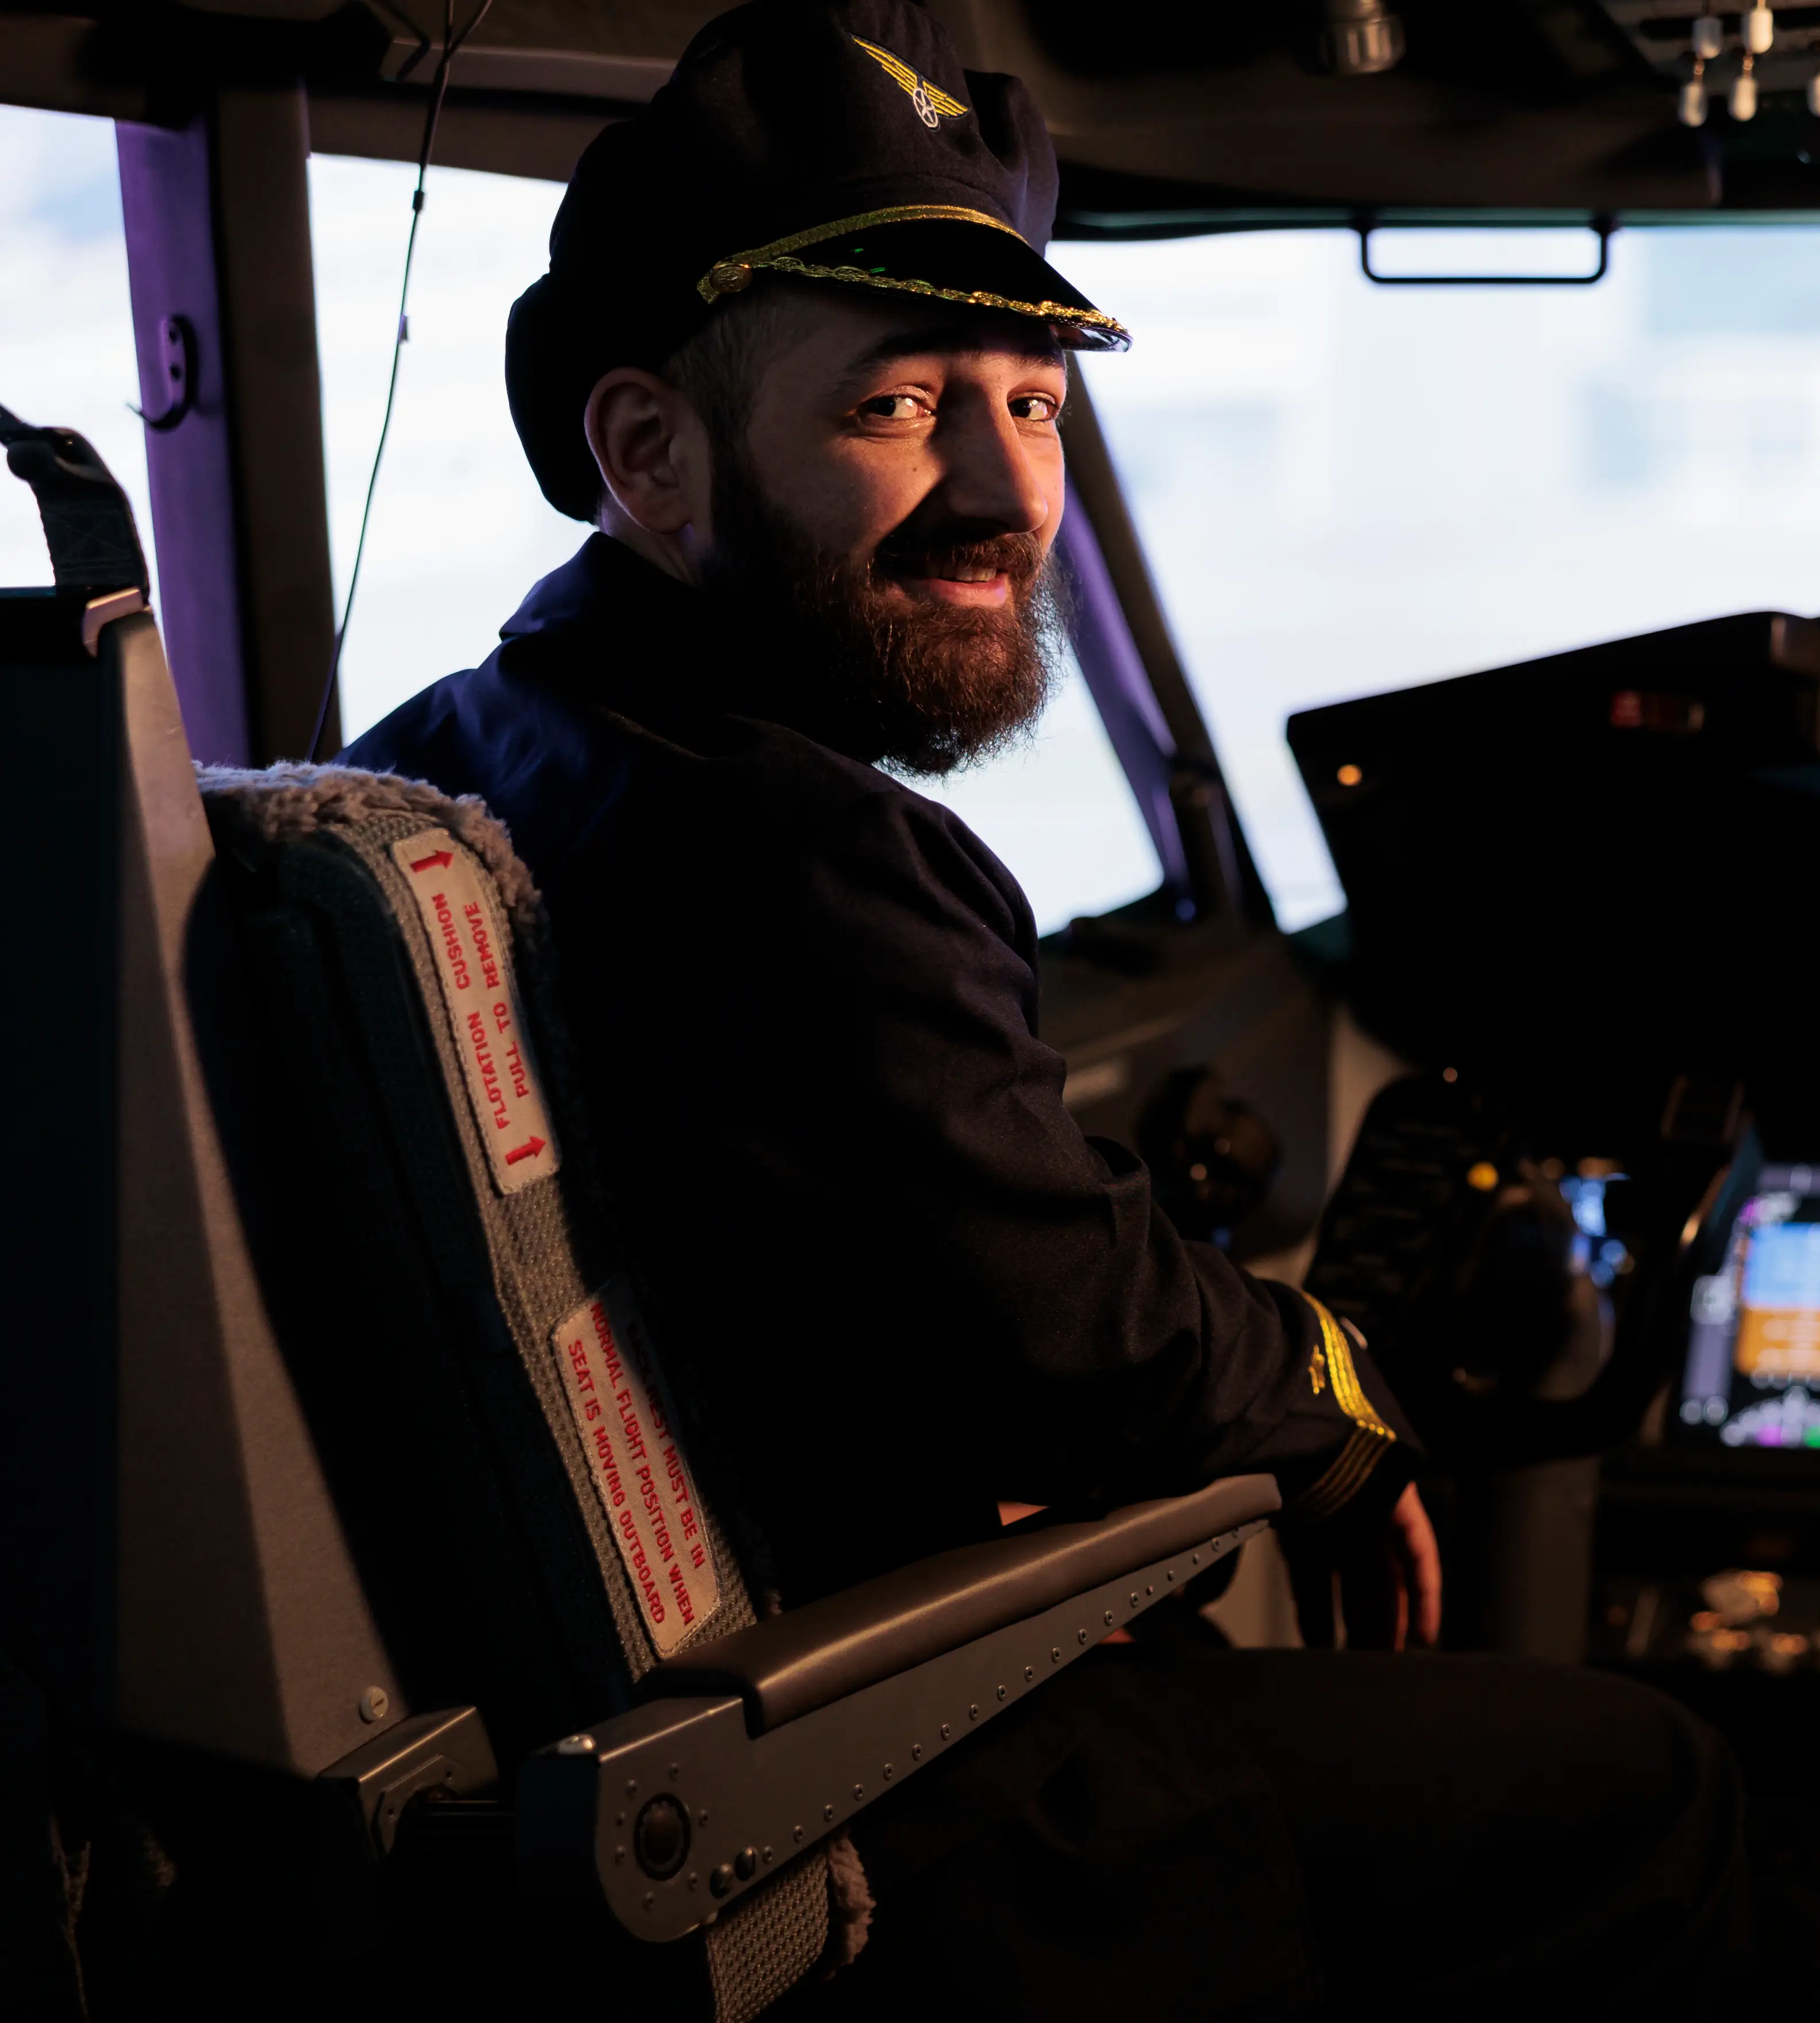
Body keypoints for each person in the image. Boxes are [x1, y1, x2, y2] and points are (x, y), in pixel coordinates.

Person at [340, 2, 1745, 2013]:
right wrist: (1332, 1408)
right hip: (887, 1808)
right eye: (905, 404)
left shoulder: (466, 752)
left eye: (1040, 405)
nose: (1011, 494)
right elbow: (1089, 1331)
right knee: (1660, 1786)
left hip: (640, 1737)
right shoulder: (797, 856)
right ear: (649, 450)